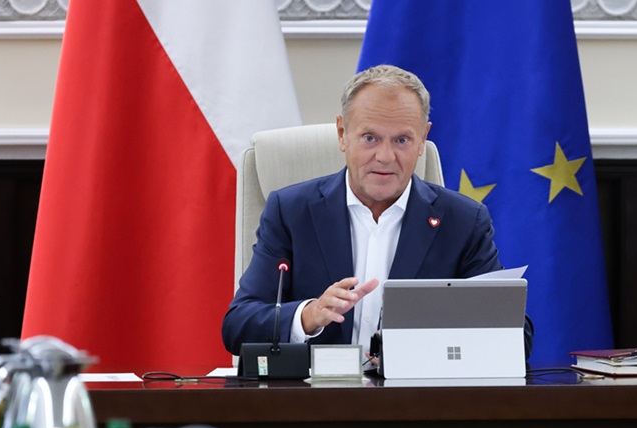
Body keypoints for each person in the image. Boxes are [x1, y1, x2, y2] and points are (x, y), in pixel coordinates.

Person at [222, 65, 533, 363]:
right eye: (370, 138)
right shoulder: (292, 212)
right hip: (316, 393)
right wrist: (308, 316)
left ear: (422, 139)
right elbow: (238, 325)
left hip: (415, 395)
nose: (385, 157)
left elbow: (518, 337)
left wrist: (430, 337)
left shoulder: (462, 221)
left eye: (402, 140)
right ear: (342, 134)